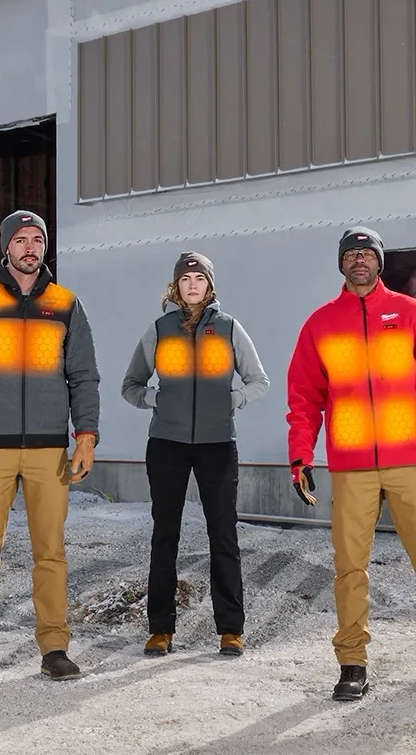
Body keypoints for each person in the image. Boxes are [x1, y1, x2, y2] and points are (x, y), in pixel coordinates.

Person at [284, 226, 416, 702]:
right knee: (349, 569)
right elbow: (303, 397)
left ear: (379, 261)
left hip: (409, 464)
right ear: (341, 264)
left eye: (366, 253)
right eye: (350, 254)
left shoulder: (414, 315)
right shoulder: (320, 323)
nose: (359, 261)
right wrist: (300, 454)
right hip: (351, 467)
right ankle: (352, 664)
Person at [0, 210, 101, 684]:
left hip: (49, 453)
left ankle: (54, 647)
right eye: (21, 240)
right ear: (6, 248)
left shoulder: (66, 305)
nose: (30, 248)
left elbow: (84, 377)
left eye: (37, 240)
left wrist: (86, 436)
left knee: (50, 552)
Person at [121, 252, 270, 658]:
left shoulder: (229, 328)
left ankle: (230, 630)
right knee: (164, 534)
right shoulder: (159, 330)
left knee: (223, 534)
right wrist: (157, 400)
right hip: (166, 445)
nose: (192, 285)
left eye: (199, 278)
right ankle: (160, 630)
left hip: (217, 445)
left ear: (209, 285)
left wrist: (232, 400)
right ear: (176, 286)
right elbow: (130, 384)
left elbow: (259, 380)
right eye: (185, 278)